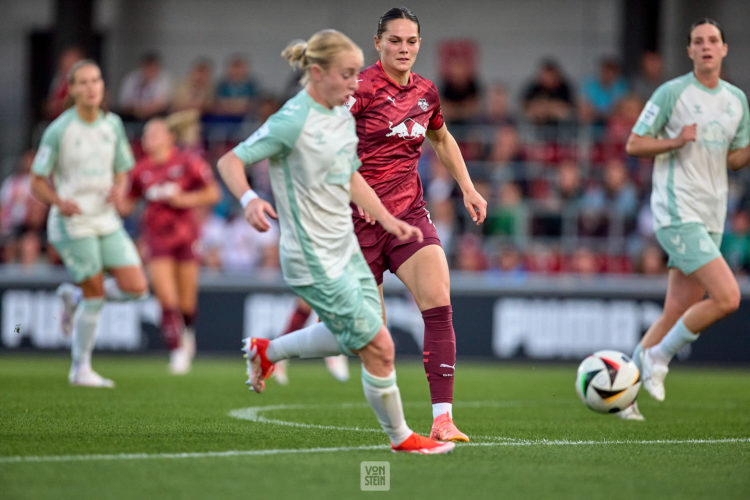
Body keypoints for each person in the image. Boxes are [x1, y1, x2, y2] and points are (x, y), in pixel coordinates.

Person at [216, 29, 454, 454]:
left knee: (363, 338)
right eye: (346, 74)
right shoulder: (294, 119)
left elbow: (348, 175)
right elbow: (231, 160)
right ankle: (404, 439)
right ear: (319, 72)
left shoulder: (339, 118)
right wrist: (249, 198)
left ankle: (266, 351)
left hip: (343, 243)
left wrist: (387, 219)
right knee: (379, 345)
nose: (354, 82)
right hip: (310, 254)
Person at [346, 7, 487, 442]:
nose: (403, 48)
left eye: (410, 41)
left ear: (419, 45)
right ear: (378, 43)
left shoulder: (427, 92)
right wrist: (361, 196)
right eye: (394, 41)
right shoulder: (361, 89)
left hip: (408, 216)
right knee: (374, 341)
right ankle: (273, 351)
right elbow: (330, 150)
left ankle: (443, 419)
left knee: (438, 301)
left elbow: (441, 137)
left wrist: (467, 186)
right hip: (356, 223)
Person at [624, 19, 750, 420]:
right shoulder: (673, 93)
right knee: (728, 297)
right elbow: (634, 143)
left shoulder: (736, 101)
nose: (707, 46)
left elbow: (733, 158)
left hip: (714, 213)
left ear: (725, 50)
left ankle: (623, 392)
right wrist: (675, 141)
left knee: (677, 308)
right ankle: (658, 358)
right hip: (678, 209)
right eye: (698, 41)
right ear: (690, 51)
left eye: (713, 40)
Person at [30, 59, 148, 388]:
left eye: (96, 80)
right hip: (73, 222)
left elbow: (123, 168)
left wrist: (119, 189)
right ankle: (80, 368)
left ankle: (75, 297)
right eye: (83, 82)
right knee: (96, 293)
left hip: (105, 218)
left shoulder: (113, 125)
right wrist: (58, 201)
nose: (91, 87)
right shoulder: (59, 130)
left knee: (137, 288)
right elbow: (36, 180)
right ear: (72, 89)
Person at [118, 118, 221, 374]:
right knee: (166, 296)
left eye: (154, 133)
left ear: (169, 137)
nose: (148, 138)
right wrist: (114, 194)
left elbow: (213, 193)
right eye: (145, 134)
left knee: (187, 304)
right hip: (156, 238)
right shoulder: (140, 170)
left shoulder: (187, 162)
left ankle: (187, 334)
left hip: (186, 236)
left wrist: (184, 198)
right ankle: (177, 351)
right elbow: (126, 206)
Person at [118, 52, 172, 121]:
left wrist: (144, 110)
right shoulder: (131, 78)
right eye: (148, 67)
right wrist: (139, 110)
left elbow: (163, 103)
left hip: (156, 117)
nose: (150, 71)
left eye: (153, 68)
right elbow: (124, 104)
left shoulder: (164, 79)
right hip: (132, 117)